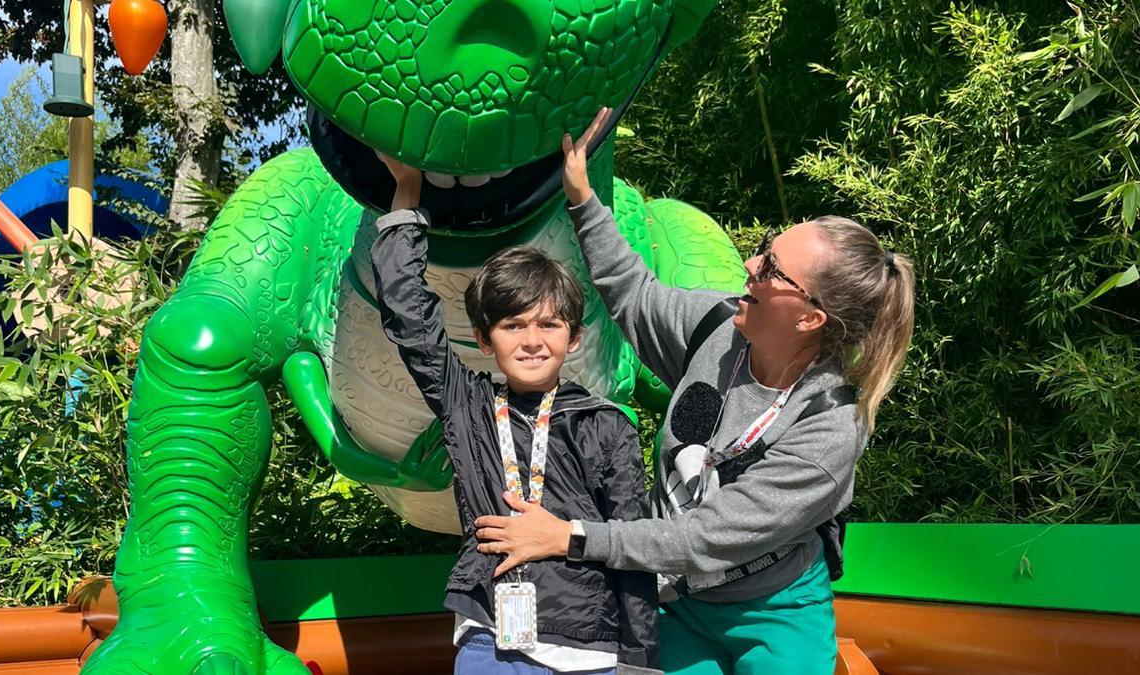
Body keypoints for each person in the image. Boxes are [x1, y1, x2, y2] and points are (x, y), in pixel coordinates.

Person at [474, 108, 916, 675]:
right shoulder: (718, 325)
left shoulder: (828, 428)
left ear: (809, 317)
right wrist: (583, 200)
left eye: (773, 268)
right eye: (764, 247)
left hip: (773, 610)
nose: (751, 264)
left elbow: (704, 536)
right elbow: (633, 293)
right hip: (678, 599)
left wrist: (568, 537)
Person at [368, 152, 660, 674]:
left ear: (574, 338)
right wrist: (408, 193)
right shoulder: (470, 405)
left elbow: (632, 546)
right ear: (484, 337)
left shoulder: (605, 424)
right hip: (490, 640)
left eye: (549, 326)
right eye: (512, 326)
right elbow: (409, 314)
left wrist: (640, 663)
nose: (532, 341)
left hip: (588, 649)